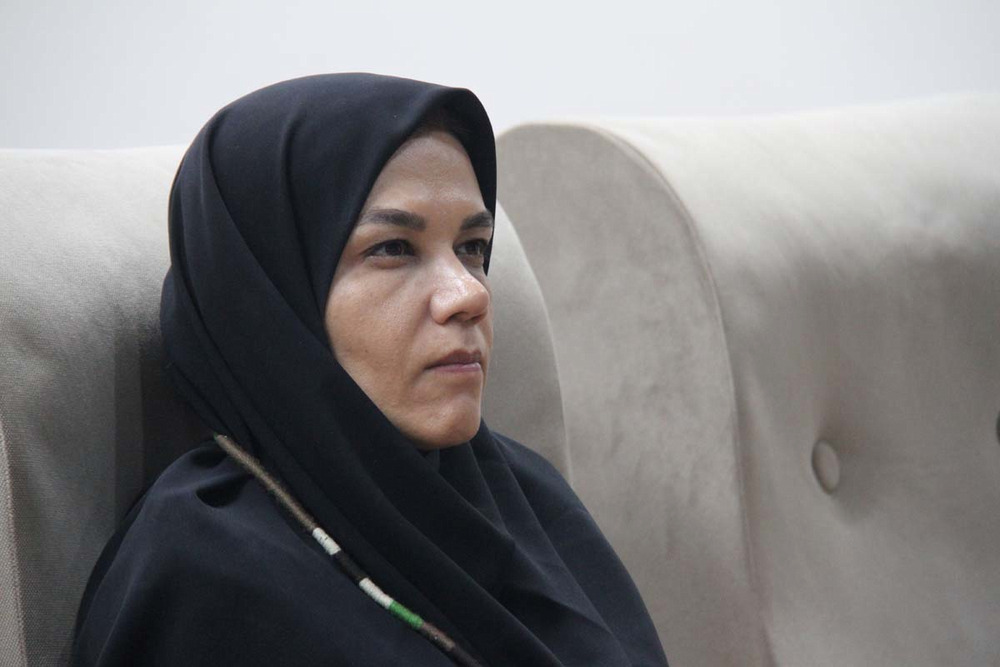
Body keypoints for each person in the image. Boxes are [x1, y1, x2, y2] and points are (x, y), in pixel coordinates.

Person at [72, 73, 669, 666]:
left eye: (472, 247)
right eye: (393, 249)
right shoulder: (205, 577)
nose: (469, 295)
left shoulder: (524, 496)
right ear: (270, 297)